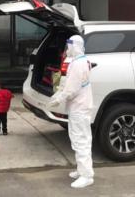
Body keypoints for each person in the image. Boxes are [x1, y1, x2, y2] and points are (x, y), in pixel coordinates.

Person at [49, 35, 94, 189]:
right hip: (81, 106)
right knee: (80, 139)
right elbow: (71, 84)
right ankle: (82, 169)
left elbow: (72, 89)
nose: (67, 49)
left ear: (75, 46)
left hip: (79, 107)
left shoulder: (77, 64)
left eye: (69, 46)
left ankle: (86, 175)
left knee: (80, 140)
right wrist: (61, 92)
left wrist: (58, 99)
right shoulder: (81, 61)